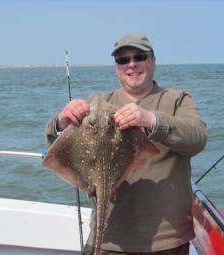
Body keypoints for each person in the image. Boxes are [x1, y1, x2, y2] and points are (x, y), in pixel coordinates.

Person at [45, 32, 207, 255]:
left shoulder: (177, 99)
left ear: (153, 60)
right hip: (108, 240)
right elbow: (56, 143)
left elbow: (197, 139)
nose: (131, 64)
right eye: (123, 60)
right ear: (116, 67)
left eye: (139, 56)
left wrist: (151, 120)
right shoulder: (98, 102)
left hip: (166, 241)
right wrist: (61, 121)